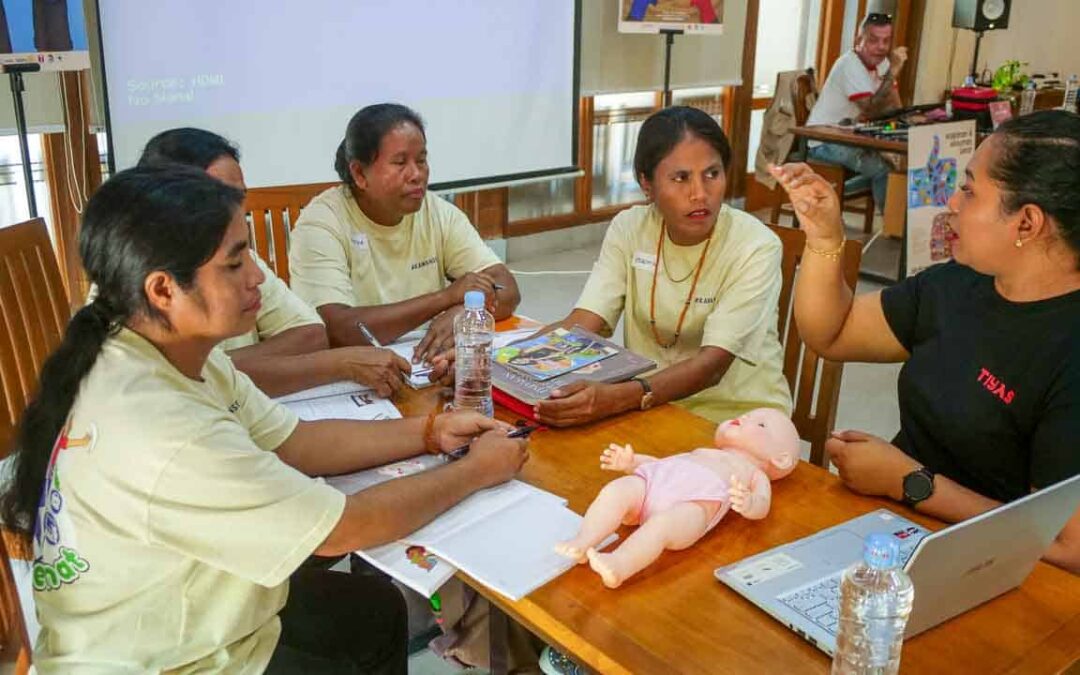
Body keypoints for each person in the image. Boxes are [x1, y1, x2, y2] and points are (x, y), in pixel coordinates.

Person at [0, 166, 528, 672]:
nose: (257, 276)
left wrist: (430, 432)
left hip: (191, 616)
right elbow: (344, 527)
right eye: (234, 263)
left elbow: (296, 439)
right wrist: (476, 470)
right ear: (163, 289)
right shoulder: (163, 428)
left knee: (372, 610)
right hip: (170, 660)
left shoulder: (164, 350)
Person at [770, 109, 1080, 574]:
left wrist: (912, 483)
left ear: (1027, 222)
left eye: (970, 190)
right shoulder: (956, 285)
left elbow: (1064, 548)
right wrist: (824, 236)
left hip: (991, 571)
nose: (952, 203)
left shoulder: (1067, 350)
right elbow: (831, 332)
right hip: (892, 535)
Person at [535, 106, 792, 428]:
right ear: (647, 183)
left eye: (712, 173)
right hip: (649, 406)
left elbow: (712, 367)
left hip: (741, 420)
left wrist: (616, 399)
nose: (700, 194)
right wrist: (505, 361)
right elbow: (586, 322)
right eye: (681, 178)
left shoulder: (755, 246)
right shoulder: (629, 228)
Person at [135, 127, 412, 398]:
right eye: (218, 199)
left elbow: (311, 335)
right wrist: (340, 364)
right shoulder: (130, 285)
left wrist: (212, 366)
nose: (236, 212)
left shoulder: (242, 257)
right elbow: (168, 380)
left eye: (239, 197)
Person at [288, 103, 521, 365]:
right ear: (359, 173)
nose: (417, 174)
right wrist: (445, 298)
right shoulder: (322, 222)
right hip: (356, 368)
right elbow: (335, 329)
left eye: (421, 160)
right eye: (400, 163)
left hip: (427, 362)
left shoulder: (439, 213)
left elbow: (507, 288)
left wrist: (463, 312)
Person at [805, 12, 907, 210]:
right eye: (873, 40)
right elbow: (870, 107)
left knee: (899, 165)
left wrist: (908, 118)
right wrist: (893, 72)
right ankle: (891, 230)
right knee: (883, 170)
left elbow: (894, 105)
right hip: (824, 140)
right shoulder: (849, 64)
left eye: (886, 41)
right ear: (858, 40)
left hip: (850, 135)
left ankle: (838, 195)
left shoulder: (883, 63)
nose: (881, 47)